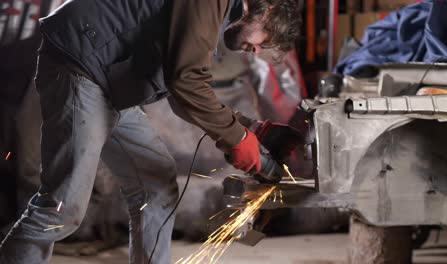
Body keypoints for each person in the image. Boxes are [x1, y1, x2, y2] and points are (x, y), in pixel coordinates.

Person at [0, 0, 301, 263]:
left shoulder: (219, 12)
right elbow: (186, 81)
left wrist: (250, 128)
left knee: (155, 186)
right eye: (264, 40)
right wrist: (238, 139)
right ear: (267, 11)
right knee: (62, 207)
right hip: (82, 66)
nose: (255, 50)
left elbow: (182, 90)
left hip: (108, 84)